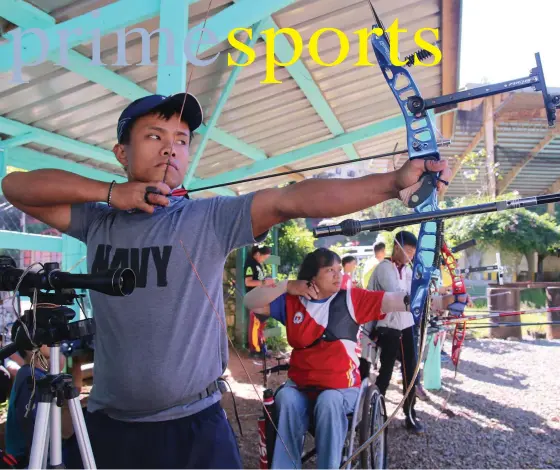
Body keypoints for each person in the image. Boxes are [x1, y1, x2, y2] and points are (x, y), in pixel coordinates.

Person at [0, 91, 452, 468]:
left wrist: (393, 183)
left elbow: (290, 200)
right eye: (154, 136)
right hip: (111, 423)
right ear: (122, 153)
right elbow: (15, 187)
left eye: (181, 139)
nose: (169, 148)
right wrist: (112, 194)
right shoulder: (98, 220)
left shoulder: (208, 216)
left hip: (195, 424)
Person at [243, 248, 458, 469]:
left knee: (329, 401)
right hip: (301, 387)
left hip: (341, 389)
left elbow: (397, 300)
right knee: (286, 398)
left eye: (338, 269)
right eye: (330, 270)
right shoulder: (293, 301)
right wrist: (287, 285)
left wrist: (443, 301)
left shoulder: (351, 299)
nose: (338, 275)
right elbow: (250, 301)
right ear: (312, 277)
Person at [367, 231, 425, 432]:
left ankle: (410, 414)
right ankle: (377, 417)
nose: (411, 255)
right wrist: (417, 294)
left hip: (407, 325)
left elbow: (416, 295)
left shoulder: (409, 270)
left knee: (411, 371)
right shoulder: (385, 267)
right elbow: (399, 294)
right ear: (398, 247)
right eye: (408, 250)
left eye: (413, 252)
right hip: (388, 327)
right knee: (386, 372)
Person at [5, 326, 81, 468]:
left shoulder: (30, 374)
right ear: (31, 346)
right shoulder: (32, 380)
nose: (56, 344)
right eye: (48, 338)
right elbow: (59, 431)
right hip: (30, 460)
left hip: (38, 455)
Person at [245, 246, 275, 358]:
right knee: (255, 324)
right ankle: (254, 350)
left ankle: (261, 347)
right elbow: (248, 282)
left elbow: (261, 281)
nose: (264, 260)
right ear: (257, 254)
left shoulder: (258, 264)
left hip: (261, 298)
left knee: (261, 325)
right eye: (264, 257)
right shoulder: (250, 263)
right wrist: (264, 283)